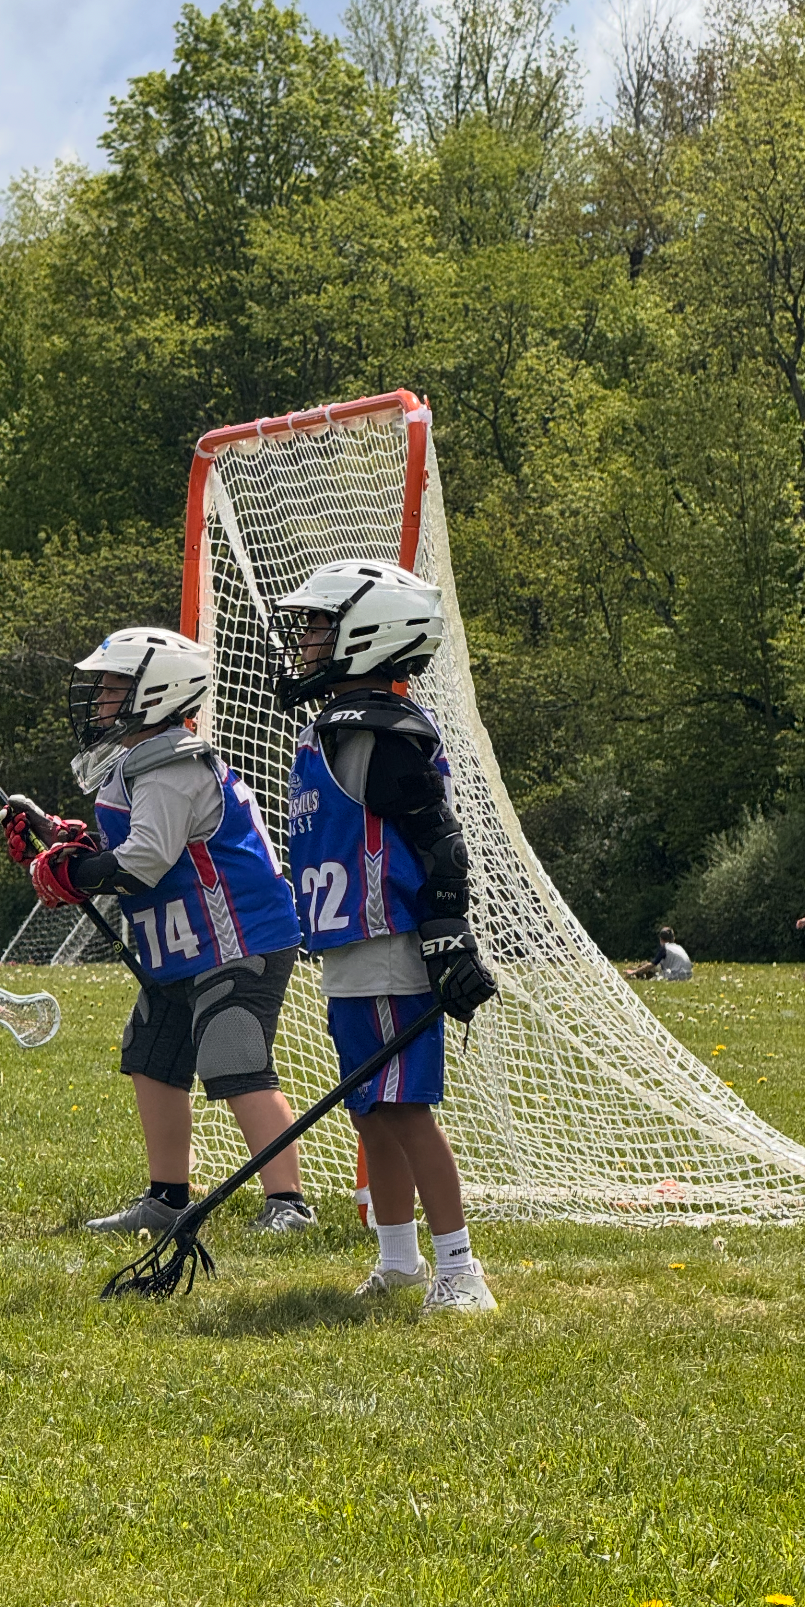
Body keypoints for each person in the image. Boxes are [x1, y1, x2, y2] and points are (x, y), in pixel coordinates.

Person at [1, 627, 315, 1236]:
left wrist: (74, 872)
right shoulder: (137, 763)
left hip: (236, 938)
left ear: (160, 691)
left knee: (233, 1055)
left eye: (115, 686)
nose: (99, 700)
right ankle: (167, 1196)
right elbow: (128, 847)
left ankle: (288, 1203)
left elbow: (143, 861)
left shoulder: (174, 763)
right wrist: (57, 837)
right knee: (152, 1055)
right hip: (183, 945)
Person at [270, 560, 499, 1315]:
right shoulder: (329, 729)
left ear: (368, 636)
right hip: (349, 947)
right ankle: (397, 1258)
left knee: (404, 1108)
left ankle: (461, 1269)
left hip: (392, 942)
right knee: (368, 1107)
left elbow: (439, 841)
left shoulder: (379, 731)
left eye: (319, 626)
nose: (304, 640)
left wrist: (444, 933)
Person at [626, 928, 693, 982]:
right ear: (673, 939)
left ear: (661, 939)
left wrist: (634, 971)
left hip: (679, 976)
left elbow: (652, 964)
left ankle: (636, 975)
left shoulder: (665, 948)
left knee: (655, 979)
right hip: (689, 975)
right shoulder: (679, 947)